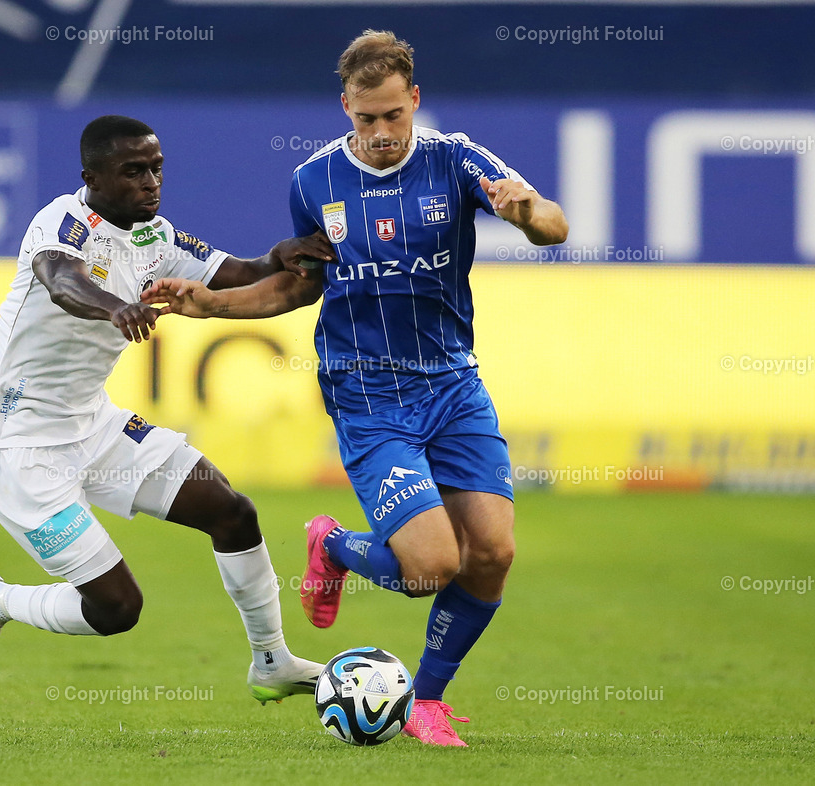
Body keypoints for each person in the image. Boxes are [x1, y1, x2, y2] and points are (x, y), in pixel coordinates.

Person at [141, 31, 568, 746]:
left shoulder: (456, 159)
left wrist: (527, 214)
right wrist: (211, 304)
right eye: (366, 119)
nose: (380, 134)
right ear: (346, 108)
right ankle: (334, 545)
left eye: (394, 116)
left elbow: (552, 224)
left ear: (415, 102)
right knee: (434, 567)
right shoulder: (313, 183)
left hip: (453, 385)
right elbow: (297, 287)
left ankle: (426, 704)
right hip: (367, 394)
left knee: (492, 553)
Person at [0, 115, 334, 707]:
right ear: (93, 177)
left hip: (96, 427)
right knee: (117, 609)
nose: (151, 182)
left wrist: (278, 255)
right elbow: (60, 279)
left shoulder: (156, 236)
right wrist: (113, 307)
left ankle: (271, 661)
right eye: (133, 171)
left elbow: (238, 272)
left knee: (231, 512)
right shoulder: (62, 222)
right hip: (23, 453)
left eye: (156, 168)